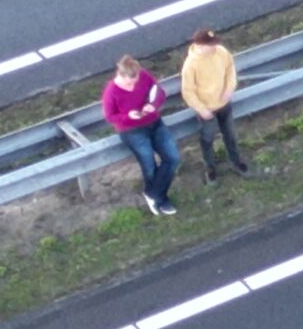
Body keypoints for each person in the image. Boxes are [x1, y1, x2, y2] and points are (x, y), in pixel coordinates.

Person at [103, 54, 179, 216]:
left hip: (154, 123)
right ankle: (161, 199)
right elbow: (110, 116)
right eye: (129, 82)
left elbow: (158, 92)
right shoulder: (111, 91)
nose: (133, 85)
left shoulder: (143, 75)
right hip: (131, 130)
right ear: (120, 75)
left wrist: (153, 105)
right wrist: (128, 117)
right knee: (149, 165)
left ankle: (153, 194)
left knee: (172, 158)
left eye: (135, 81)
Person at [180, 27, 250, 180]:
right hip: (207, 110)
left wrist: (229, 88)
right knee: (207, 138)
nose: (214, 47)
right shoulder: (191, 65)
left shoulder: (221, 52)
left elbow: (230, 69)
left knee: (230, 134)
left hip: (224, 104)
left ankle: (236, 161)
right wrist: (201, 109)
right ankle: (210, 168)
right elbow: (188, 91)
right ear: (199, 45)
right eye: (210, 44)